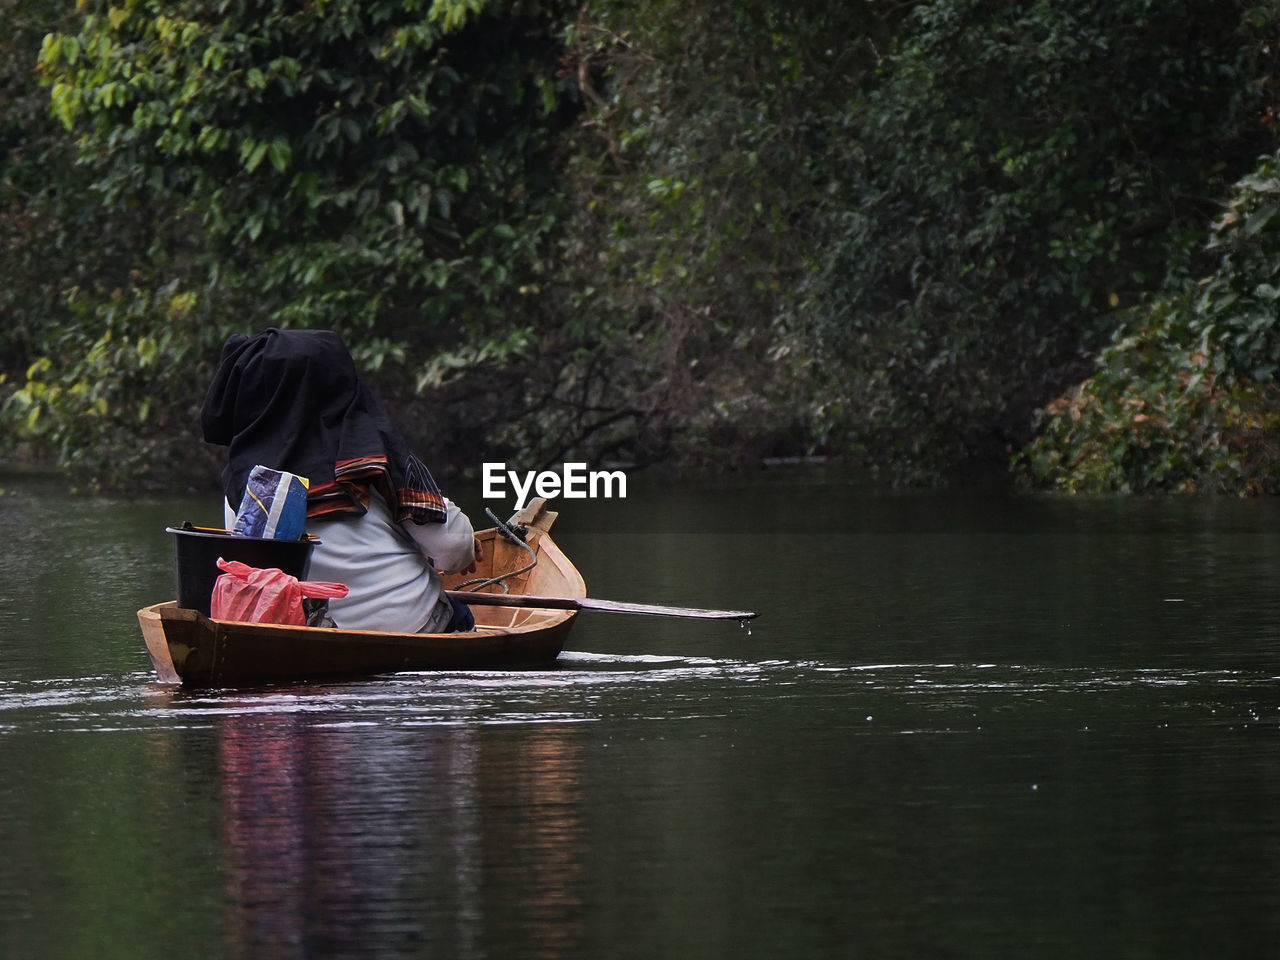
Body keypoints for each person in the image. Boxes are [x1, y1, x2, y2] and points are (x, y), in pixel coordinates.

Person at [200, 328, 479, 633]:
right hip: (408, 627)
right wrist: (466, 543)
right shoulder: (368, 459)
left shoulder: (242, 480)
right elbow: (452, 551)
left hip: (297, 633)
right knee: (458, 613)